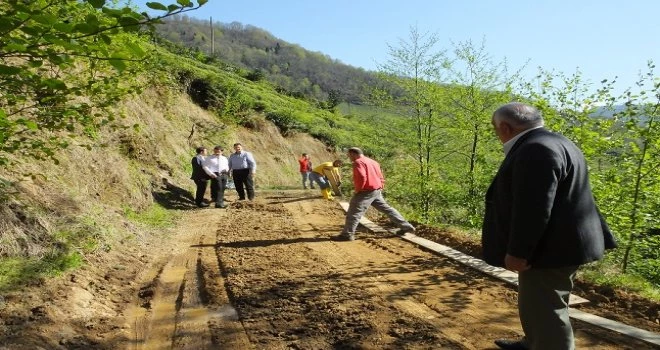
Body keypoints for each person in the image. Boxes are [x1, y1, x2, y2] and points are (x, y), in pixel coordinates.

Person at [482, 102, 617, 350]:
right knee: (539, 302)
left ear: (505, 127)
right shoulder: (558, 141)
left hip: (550, 248)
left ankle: (547, 344)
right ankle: (533, 342)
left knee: (547, 308)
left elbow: (533, 208)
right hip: (562, 242)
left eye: (495, 129)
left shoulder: (535, 149)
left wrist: (519, 252)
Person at [332, 147, 415, 241]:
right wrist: (381, 186)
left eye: (349, 155)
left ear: (352, 154)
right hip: (376, 190)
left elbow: (362, 176)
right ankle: (406, 226)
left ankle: (347, 234)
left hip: (365, 191)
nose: (349, 157)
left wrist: (358, 190)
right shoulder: (373, 162)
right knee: (387, 209)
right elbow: (380, 176)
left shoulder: (358, 162)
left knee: (354, 212)